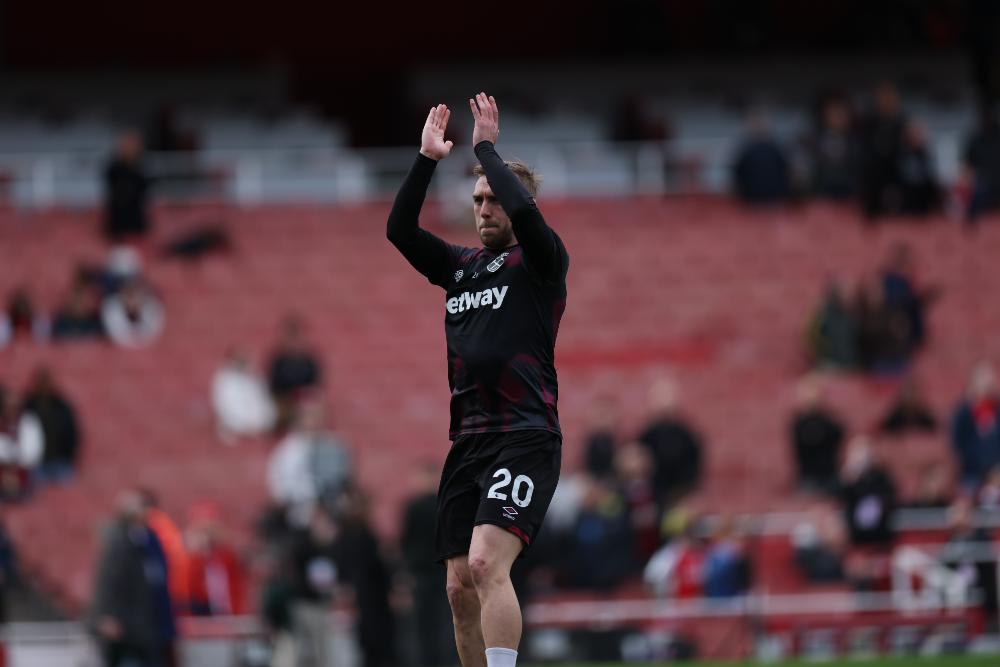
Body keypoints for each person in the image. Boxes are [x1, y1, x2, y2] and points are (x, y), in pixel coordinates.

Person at [386, 94, 568, 667]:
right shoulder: (460, 268)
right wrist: (425, 160)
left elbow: (530, 221)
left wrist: (486, 149)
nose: (484, 209)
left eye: (493, 199)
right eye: (478, 200)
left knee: (488, 562)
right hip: (468, 442)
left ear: (519, 206)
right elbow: (398, 231)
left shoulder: (541, 263)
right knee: (459, 586)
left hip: (525, 433)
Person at [89, 489, 176, 667]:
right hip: (129, 630)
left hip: (152, 625)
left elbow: (159, 580)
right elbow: (108, 581)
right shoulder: (118, 541)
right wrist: (108, 615)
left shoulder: (151, 540)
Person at [401, 464, 455, 667]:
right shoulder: (448, 504)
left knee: (423, 622)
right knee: (446, 620)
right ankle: (447, 661)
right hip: (445, 570)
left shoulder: (413, 507)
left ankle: (424, 661)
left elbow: (405, 543)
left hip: (420, 573)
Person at [267, 400, 352, 523]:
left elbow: (344, 476)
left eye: (319, 417)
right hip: (298, 511)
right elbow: (280, 483)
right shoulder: (287, 451)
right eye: (311, 416)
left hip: (331, 511)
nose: (315, 421)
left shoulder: (336, 445)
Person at [638, 377, 703, 506]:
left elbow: (693, 468)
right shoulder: (646, 436)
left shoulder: (687, 436)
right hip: (652, 497)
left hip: (681, 495)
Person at [20, 367, 80, 484]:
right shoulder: (28, 407)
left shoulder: (62, 407)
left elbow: (72, 433)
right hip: (36, 464)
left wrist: (69, 456)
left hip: (60, 461)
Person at [857, 82, 907, 220]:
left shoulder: (901, 123)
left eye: (891, 97)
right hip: (873, 181)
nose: (887, 101)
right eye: (883, 97)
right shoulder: (869, 123)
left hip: (896, 180)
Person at [790, 375, 845, 494]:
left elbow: (839, 435)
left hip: (830, 475)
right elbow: (807, 441)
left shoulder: (829, 421)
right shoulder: (799, 423)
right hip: (809, 477)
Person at [267, 315, 323, 429]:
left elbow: (315, 385)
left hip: (305, 399)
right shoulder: (278, 360)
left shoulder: (309, 361)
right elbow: (273, 385)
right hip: (283, 400)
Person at [951, 361, 1000, 490]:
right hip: (971, 471)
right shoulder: (963, 414)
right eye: (983, 382)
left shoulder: (997, 411)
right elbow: (958, 443)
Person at [211, 347, 276, 442]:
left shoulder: (255, 378)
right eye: (239, 359)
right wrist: (246, 424)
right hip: (236, 427)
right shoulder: (224, 380)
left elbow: (265, 402)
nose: (242, 362)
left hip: (258, 426)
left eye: (244, 359)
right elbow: (225, 408)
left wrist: (261, 422)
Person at [731, 111, 791, 204]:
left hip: (774, 199)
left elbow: (786, 171)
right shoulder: (746, 150)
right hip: (752, 200)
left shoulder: (776, 149)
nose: (758, 127)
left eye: (760, 124)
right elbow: (738, 174)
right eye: (755, 124)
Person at [103, 130, 151, 241]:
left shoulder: (141, 169)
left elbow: (143, 192)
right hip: (118, 224)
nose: (130, 149)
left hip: (136, 223)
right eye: (127, 145)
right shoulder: (113, 169)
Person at [101, 281, 165, 348]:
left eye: (134, 297)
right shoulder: (113, 309)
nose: (132, 301)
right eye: (129, 297)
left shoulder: (151, 310)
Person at [581, 395, 620, 480]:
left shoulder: (618, 441)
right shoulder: (589, 441)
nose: (603, 419)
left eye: (606, 415)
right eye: (600, 415)